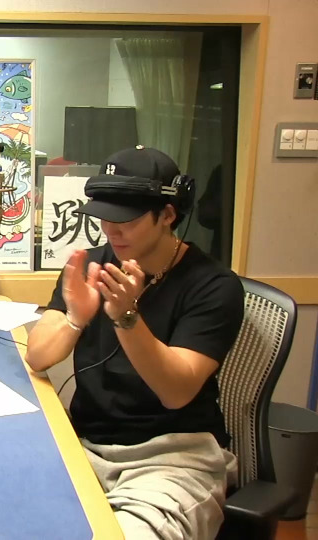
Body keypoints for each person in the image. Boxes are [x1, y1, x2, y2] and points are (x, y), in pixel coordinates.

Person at [25, 146, 244, 540]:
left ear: (168, 215)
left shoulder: (214, 286)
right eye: (104, 217)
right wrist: (76, 317)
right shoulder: (92, 265)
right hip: (85, 445)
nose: (112, 230)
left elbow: (176, 391)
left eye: (126, 219)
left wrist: (126, 317)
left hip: (174, 459)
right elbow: (38, 356)